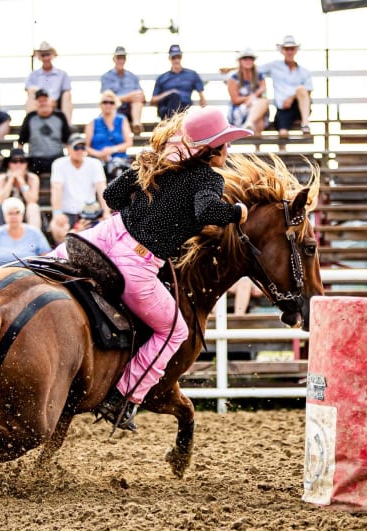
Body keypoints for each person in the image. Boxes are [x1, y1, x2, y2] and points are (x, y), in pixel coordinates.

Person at [49, 106, 251, 431]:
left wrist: (144, 169)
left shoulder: (156, 166)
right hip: (136, 261)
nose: (228, 150)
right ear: (211, 149)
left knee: (49, 272)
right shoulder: (207, 178)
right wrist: (237, 211)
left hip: (101, 238)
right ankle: (123, 397)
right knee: (175, 331)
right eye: (225, 144)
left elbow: (112, 197)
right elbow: (206, 209)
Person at [49, 133, 109, 245]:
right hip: (67, 213)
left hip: (90, 212)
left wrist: (106, 211)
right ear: (68, 148)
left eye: (82, 147)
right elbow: (56, 189)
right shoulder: (59, 164)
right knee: (57, 229)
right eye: (76, 147)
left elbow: (101, 188)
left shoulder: (95, 164)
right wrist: (57, 213)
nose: (80, 150)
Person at [259, 35, 313, 137]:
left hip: (299, 107)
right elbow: (252, 69)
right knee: (282, 134)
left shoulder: (304, 72)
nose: (289, 52)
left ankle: (305, 124)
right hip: (283, 109)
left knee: (301, 89)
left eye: (291, 49)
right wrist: (231, 69)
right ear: (282, 50)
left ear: (295, 50)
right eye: (287, 49)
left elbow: (308, 92)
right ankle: (282, 152)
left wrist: (291, 98)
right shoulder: (274, 66)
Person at [0, 198, 51, 270]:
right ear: (4, 215)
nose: (13, 216)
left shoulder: (34, 232)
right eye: (10, 213)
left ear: (22, 214)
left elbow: (46, 256)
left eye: (17, 213)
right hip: (1, 276)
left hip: (29, 275)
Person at [18, 88, 72, 175]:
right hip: (36, 159)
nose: (43, 103)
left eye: (45, 100)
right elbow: (21, 141)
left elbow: (68, 140)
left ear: (51, 101)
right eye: (40, 101)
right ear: (35, 103)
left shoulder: (60, 116)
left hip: (56, 158)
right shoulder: (30, 117)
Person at [0, 148, 41, 231]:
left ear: (27, 164)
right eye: (14, 161)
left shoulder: (32, 178)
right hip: (7, 214)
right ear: (9, 164)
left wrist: (21, 181)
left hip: (25, 213)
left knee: (33, 207)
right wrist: (10, 181)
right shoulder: (2, 179)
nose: (18, 164)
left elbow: (32, 200)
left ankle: (34, 238)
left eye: (22, 161)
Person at [84, 90, 133, 178]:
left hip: (118, 158)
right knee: (96, 168)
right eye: (105, 102)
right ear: (100, 105)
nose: (108, 105)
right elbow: (86, 146)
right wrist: (99, 154)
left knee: (116, 168)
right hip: (98, 158)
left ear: (116, 104)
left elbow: (129, 142)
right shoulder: (93, 122)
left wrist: (113, 149)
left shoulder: (122, 120)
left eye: (111, 102)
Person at [151, 44, 205, 120]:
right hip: (166, 109)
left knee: (176, 99)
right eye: (174, 58)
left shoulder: (192, 74)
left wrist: (204, 114)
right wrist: (169, 93)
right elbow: (153, 100)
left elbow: (202, 97)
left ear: (181, 57)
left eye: (178, 57)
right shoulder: (162, 78)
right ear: (169, 58)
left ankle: (173, 124)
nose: (176, 60)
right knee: (174, 96)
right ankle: (173, 123)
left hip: (183, 109)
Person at [100, 46, 146, 134]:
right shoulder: (106, 77)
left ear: (125, 59)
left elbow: (141, 96)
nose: (121, 60)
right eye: (119, 58)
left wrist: (140, 95)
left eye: (123, 58)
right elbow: (105, 98)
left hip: (131, 109)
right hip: (115, 108)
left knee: (137, 98)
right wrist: (127, 97)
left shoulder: (133, 77)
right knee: (110, 103)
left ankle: (136, 124)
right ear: (114, 59)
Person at [25, 42, 73, 125]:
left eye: (48, 54)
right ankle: (30, 125)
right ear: (39, 57)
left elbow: (66, 91)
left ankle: (67, 126)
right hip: (39, 103)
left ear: (53, 55)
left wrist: (52, 101)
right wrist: (44, 101)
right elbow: (29, 90)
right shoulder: (33, 75)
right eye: (43, 55)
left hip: (56, 103)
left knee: (67, 95)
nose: (46, 58)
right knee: (31, 93)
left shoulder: (62, 74)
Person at [227, 48, 270, 136]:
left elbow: (264, 95)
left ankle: (248, 124)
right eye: (245, 58)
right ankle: (256, 145)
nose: (248, 61)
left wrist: (253, 99)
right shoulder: (233, 78)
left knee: (261, 107)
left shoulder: (259, 75)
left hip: (256, 107)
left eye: (251, 58)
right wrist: (250, 98)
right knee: (260, 108)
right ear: (240, 61)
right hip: (240, 110)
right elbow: (235, 100)